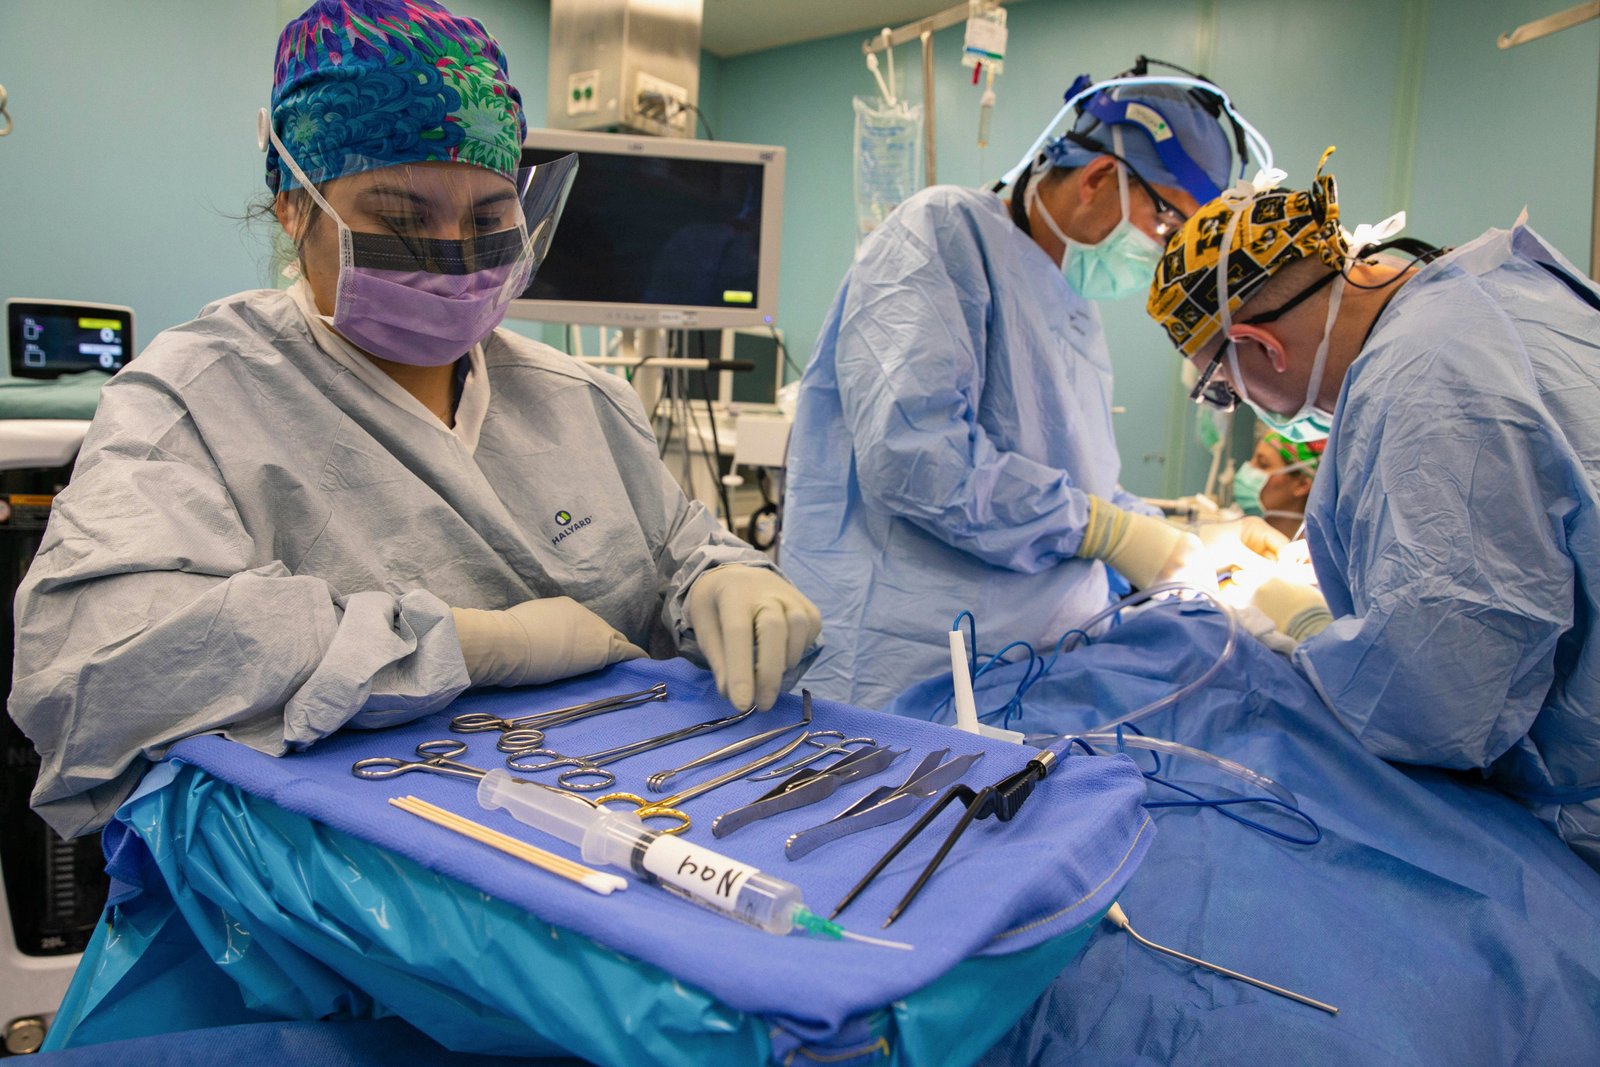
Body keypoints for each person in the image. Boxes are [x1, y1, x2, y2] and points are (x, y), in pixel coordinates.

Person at [8, 0, 819, 840]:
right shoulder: (194, 397)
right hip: (326, 890)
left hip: (602, 831)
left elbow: (673, 557)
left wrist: (727, 583)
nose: (455, 254)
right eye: (400, 219)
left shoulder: (582, 401)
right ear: (293, 205)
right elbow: (98, 663)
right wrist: (468, 643)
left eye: (487, 220)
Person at [1146, 152, 1600, 870]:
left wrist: (1314, 633)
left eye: (1226, 390)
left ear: (1258, 345)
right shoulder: (1484, 290)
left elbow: (1436, 698)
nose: (1240, 409)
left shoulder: (1423, 380)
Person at [782, 62, 1265, 707]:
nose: (1167, 252)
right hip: (913, 675)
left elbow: (1083, 487)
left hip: (1035, 667)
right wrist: (1107, 533)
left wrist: (1189, 542)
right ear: (1099, 178)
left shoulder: (1072, 301)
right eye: (1168, 225)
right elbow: (917, 460)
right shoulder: (941, 234)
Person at [1232, 430, 1324, 538]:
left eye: (1262, 464)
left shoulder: (1305, 553)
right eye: (1253, 459)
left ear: (1302, 485)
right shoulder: (1233, 533)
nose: (1248, 468)